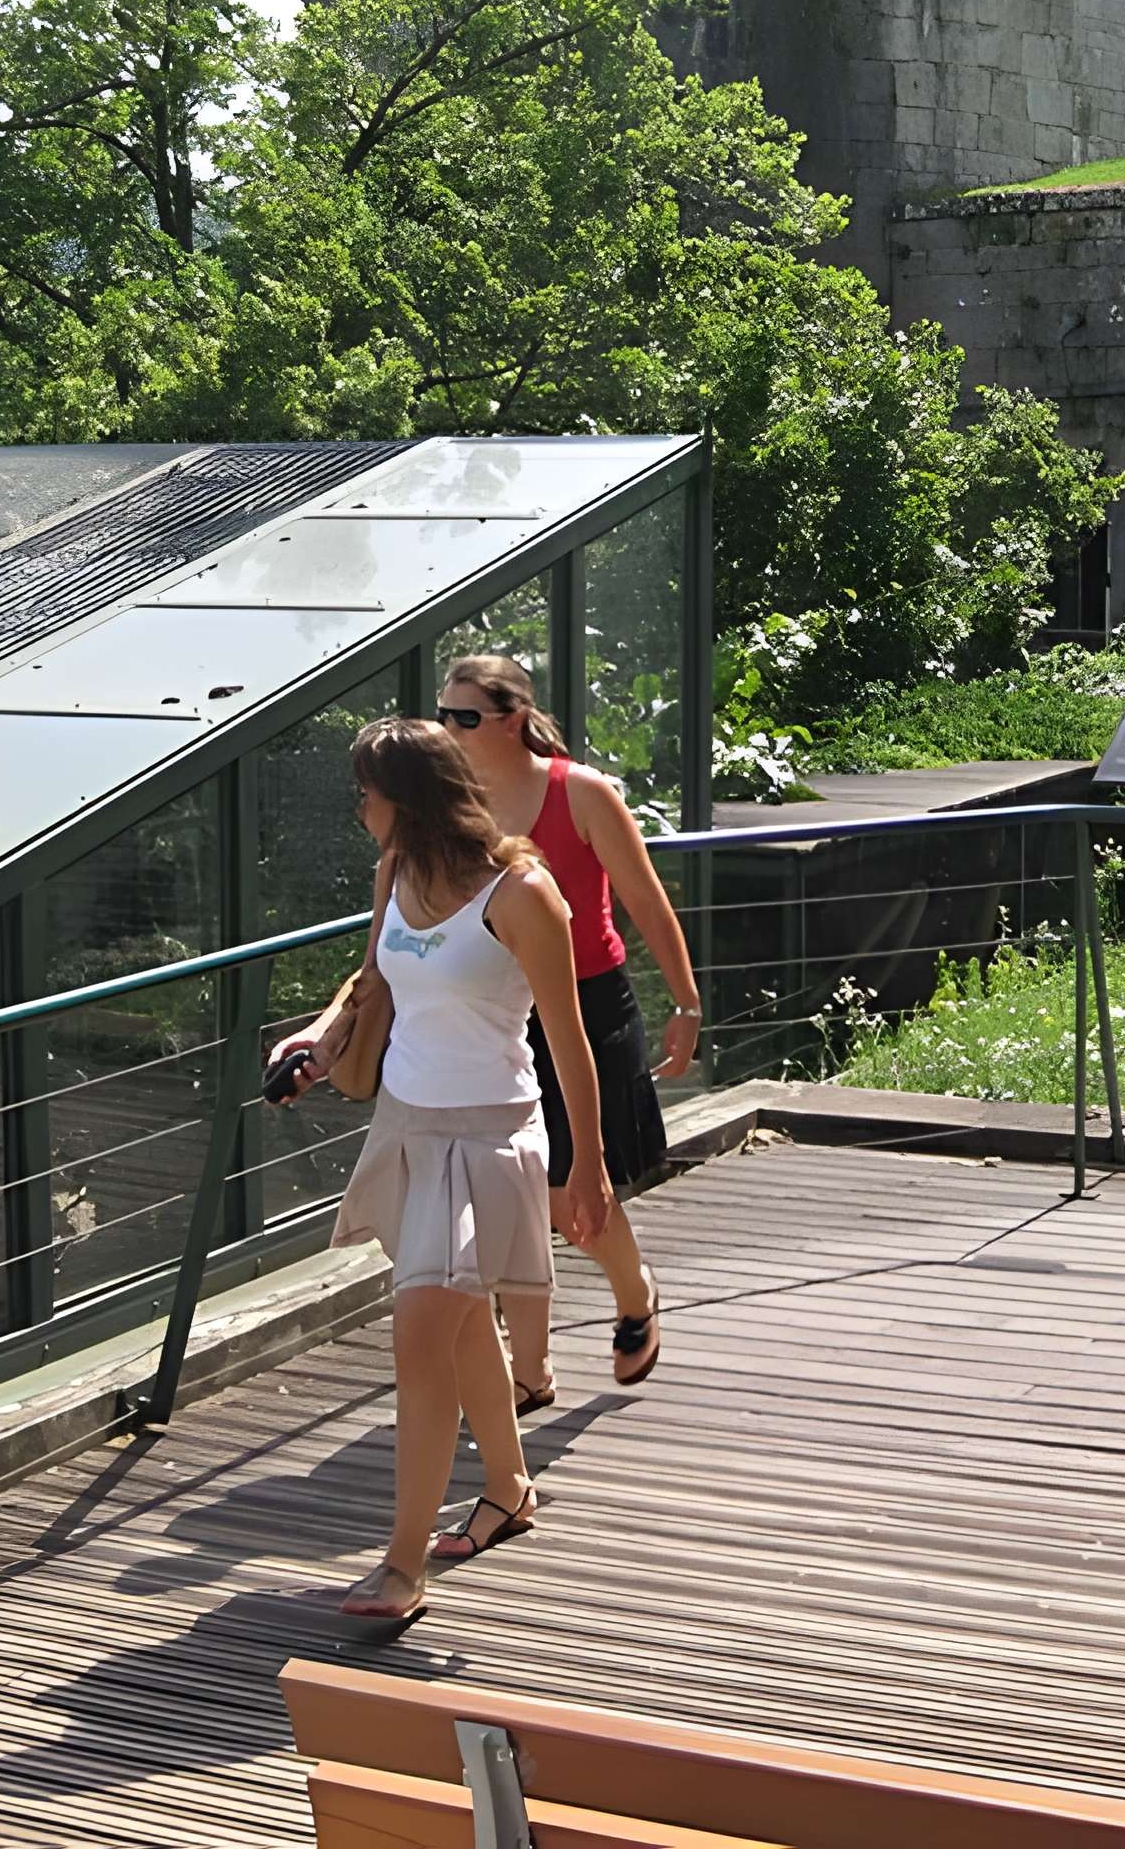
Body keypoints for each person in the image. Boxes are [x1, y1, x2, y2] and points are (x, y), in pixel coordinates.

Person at [301, 716, 612, 1622]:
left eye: (367, 791)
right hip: (405, 1128)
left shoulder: (522, 895)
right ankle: (509, 1487)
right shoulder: (394, 873)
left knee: (421, 1336)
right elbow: (371, 985)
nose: (358, 805)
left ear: (408, 798)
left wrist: (586, 1169)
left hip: (487, 1139)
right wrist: (316, 1043)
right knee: (462, 1323)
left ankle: (401, 1568)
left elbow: (570, 1041)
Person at [435, 654, 700, 1403]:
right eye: (443, 715)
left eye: (464, 718)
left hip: (587, 1003)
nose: (448, 730)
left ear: (511, 719)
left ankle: (635, 1294)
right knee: (511, 1193)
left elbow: (646, 902)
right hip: (496, 1011)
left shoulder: (578, 792)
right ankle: (531, 1371)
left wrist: (686, 1004)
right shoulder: (451, 803)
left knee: (568, 1194)